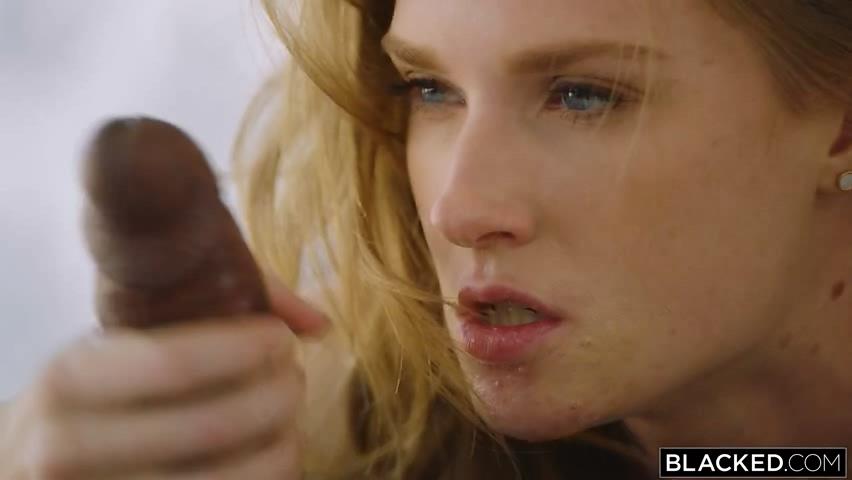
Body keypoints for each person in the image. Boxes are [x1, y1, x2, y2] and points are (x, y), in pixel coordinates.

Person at [2, 0, 852, 478]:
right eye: (430, 88)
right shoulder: (330, 423)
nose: (456, 208)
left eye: (583, 95)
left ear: (842, 127)